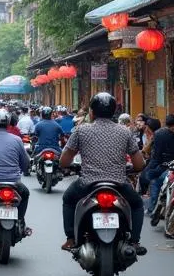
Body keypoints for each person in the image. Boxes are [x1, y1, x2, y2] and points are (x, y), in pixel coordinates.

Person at [59, 92, 146, 254]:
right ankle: (134, 242)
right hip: (119, 184)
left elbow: (64, 161)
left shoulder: (81, 130)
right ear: (114, 112)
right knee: (137, 204)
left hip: (87, 184)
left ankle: (70, 239)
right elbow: (139, 164)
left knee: (68, 199)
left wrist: (71, 166)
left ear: (91, 112)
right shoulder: (125, 131)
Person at [142, 114, 174, 211]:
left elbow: (156, 155)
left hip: (165, 166)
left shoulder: (159, 134)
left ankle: (152, 208)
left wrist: (150, 168)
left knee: (154, 180)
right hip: (173, 165)